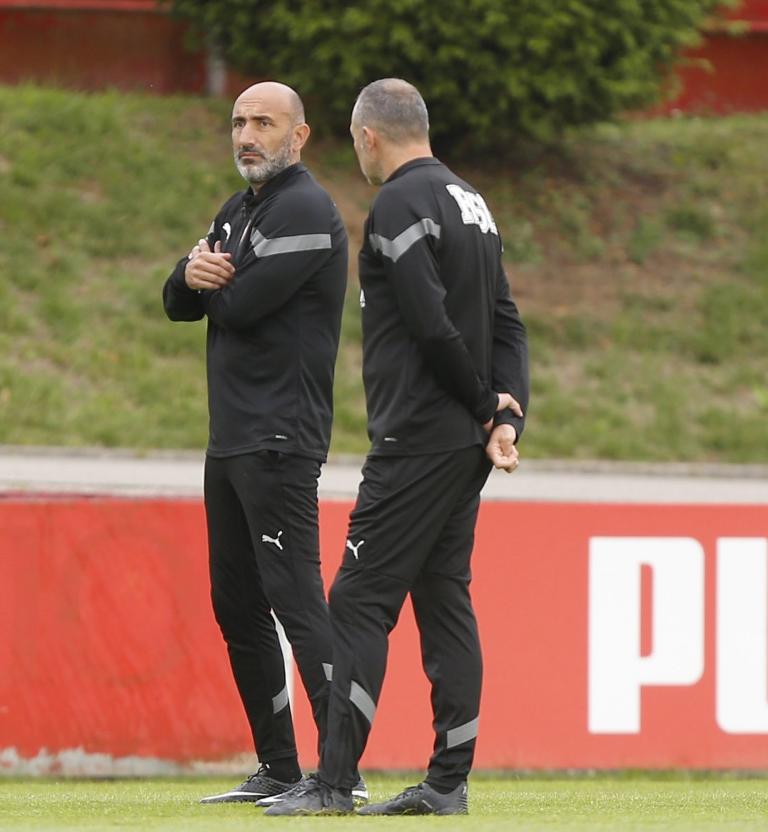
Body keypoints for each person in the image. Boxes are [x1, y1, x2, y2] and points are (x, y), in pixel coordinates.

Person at [265, 78, 529, 817]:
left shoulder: (398, 205)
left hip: (416, 439)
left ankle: (333, 783)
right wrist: (506, 417)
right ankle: (448, 782)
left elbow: (428, 322)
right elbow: (507, 322)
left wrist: (483, 406)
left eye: (355, 144)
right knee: (445, 599)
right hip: (463, 445)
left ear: (368, 136)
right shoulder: (474, 205)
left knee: (357, 602)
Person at [162, 81, 355, 805]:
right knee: (237, 603)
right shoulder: (240, 210)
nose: (247, 134)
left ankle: (341, 775)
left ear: (298, 136)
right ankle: (278, 767)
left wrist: (207, 279)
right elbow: (178, 299)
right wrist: (193, 275)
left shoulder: (305, 206)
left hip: (280, 434)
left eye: (264, 122)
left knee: (296, 599)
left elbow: (240, 305)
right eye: (239, 121)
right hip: (233, 437)